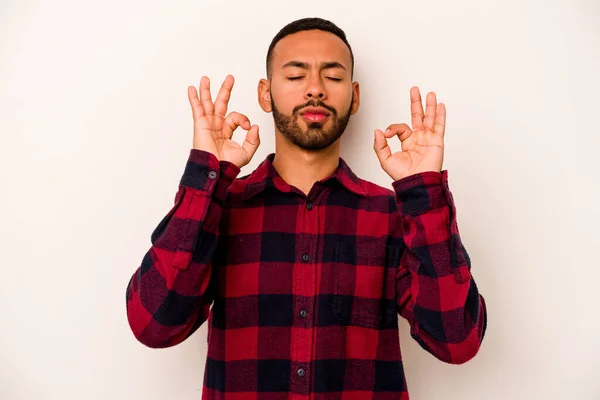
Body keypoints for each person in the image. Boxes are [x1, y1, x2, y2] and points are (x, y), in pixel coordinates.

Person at [125, 17, 487, 399]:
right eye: (296, 76)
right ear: (265, 94)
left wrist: (422, 191)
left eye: (332, 76)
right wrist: (207, 176)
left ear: (355, 95)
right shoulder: (221, 210)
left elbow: (457, 340)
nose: (315, 90)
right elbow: (153, 324)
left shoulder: (391, 214)